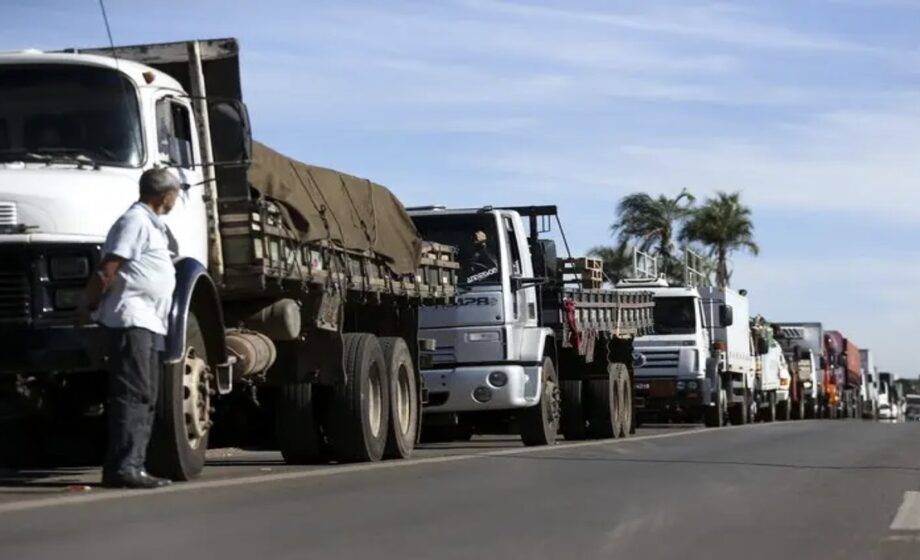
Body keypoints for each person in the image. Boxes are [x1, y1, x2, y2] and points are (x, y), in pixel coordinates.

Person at [83, 168, 180, 489]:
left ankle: (132, 464)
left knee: (146, 394)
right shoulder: (135, 221)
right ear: (164, 195)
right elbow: (108, 269)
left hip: (148, 321)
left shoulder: (152, 224)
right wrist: (89, 306)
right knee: (134, 393)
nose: (176, 199)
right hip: (131, 320)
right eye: (175, 194)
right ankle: (124, 467)